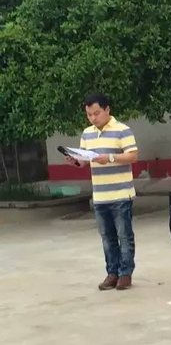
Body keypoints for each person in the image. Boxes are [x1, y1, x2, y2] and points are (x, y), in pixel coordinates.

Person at [65, 93, 139, 291]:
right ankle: (112, 273)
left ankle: (125, 273)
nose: (93, 118)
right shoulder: (87, 134)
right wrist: (75, 161)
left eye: (96, 113)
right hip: (99, 195)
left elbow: (133, 156)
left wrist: (110, 158)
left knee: (124, 236)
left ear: (107, 109)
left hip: (121, 193)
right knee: (107, 238)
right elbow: (84, 160)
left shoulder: (122, 130)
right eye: (89, 114)